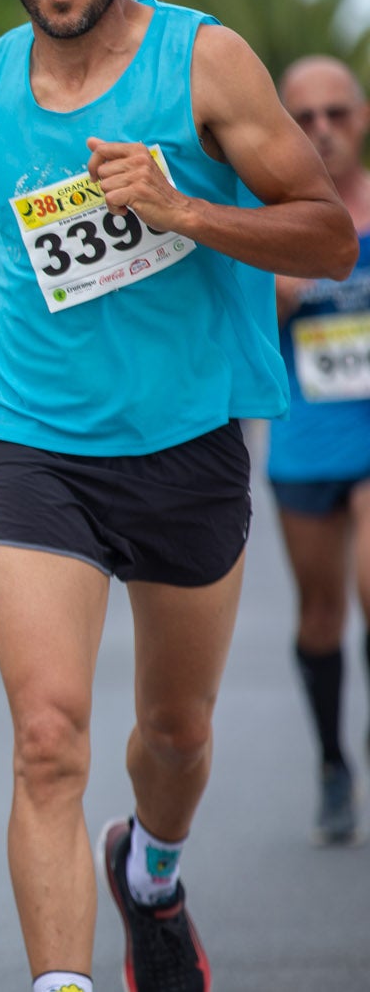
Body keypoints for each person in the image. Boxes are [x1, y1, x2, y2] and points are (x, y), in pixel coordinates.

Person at [0, 0, 355, 992]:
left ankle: (150, 870)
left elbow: (325, 233)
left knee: (173, 737)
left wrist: (183, 206)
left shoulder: (200, 63)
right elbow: (0, 186)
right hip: (34, 438)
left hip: (185, 440)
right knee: (47, 738)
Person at [265, 54, 370, 846]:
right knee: (322, 613)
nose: (323, 130)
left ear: (361, 117)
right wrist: (276, 285)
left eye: (337, 113)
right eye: (304, 118)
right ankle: (333, 759)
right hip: (304, 444)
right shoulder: (270, 216)